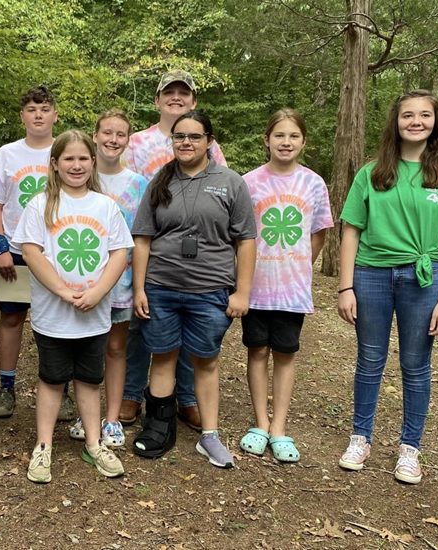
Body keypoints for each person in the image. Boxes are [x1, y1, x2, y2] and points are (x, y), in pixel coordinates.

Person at [337, 90, 438, 484]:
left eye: (424, 115)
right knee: (370, 361)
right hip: (371, 275)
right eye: (407, 115)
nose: (416, 121)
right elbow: (351, 230)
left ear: (435, 122)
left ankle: (409, 448)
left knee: (416, 366)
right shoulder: (372, 173)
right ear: (395, 122)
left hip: (423, 279)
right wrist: (346, 287)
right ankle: (360, 438)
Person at [131, 111, 256, 466]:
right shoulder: (159, 181)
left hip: (210, 289)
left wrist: (242, 292)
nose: (186, 142)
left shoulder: (231, 182)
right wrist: (140, 288)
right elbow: (142, 238)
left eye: (194, 136)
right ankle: (158, 426)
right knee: (164, 356)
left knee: (206, 360)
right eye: (179, 136)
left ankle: (210, 436)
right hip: (162, 286)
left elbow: (246, 240)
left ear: (209, 141)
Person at [13, 130, 134, 483]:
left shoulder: (106, 206)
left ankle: (94, 444)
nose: (76, 165)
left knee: (89, 380)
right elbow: (32, 253)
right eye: (68, 158)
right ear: (54, 163)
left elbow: (118, 253)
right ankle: (44, 445)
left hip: (94, 316)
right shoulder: (40, 205)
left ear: (93, 162)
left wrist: (97, 291)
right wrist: (64, 292)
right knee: (51, 380)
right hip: (53, 316)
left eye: (83, 158)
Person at [119, 70, 228, 431]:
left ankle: (187, 398)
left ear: (194, 101)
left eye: (184, 93)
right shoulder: (136, 142)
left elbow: (220, 194)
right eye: (169, 93)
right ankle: (132, 393)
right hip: (142, 244)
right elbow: (127, 191)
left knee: (185, 329)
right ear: (158, 99)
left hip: (192, 259)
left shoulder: (208, 144)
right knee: (140, 325)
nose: (176, 98)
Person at [240, 109, 333, 462]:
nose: (286, 142)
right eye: (279, 135)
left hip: (292, 290)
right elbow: (242, 236)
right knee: (257, 351)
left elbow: (318, 234)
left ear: (303, 142)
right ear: (267, 139)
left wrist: (295, 266)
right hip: (256, 285)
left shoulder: (313, 183)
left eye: (293, 136)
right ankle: (260, 423)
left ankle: (279, 427)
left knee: (284, 354)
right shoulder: (248, 183)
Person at [0, 86, 74, 420]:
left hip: (57, 252)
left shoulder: (66, 150)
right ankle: (6, 387)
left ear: (55, 114)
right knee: (12, 317)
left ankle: (61, 389)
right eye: (31, 108)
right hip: (15, 251)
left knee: (59, 321)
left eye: (44, 108)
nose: (38, 114)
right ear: (22, 115)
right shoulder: (7, 154)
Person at [68, 109, 148, 447]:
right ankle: (85, 414)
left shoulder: (139, 184)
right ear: (96, 136)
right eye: (107, 133)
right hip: (80, 282)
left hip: (122, 283)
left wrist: (141, 285)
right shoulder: (81, 176)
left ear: (128, 141)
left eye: (120, 135)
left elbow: (143, 238)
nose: (113, 140)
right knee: (84, 349)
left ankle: (112, 418)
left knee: (116, 348)